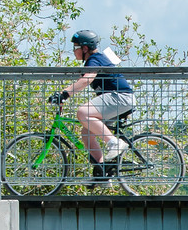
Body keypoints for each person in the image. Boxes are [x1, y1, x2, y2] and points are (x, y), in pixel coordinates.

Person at [47, 30, 136, 171]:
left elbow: (86, 79)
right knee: (86, 134)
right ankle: (102, 172)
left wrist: (64, 94)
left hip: (121, 97)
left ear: (85, 48)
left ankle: (114, 143)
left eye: (75, 47)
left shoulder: (95, 59)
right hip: (117, 99)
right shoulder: (96, 59)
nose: (74, 51)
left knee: (83, 112)